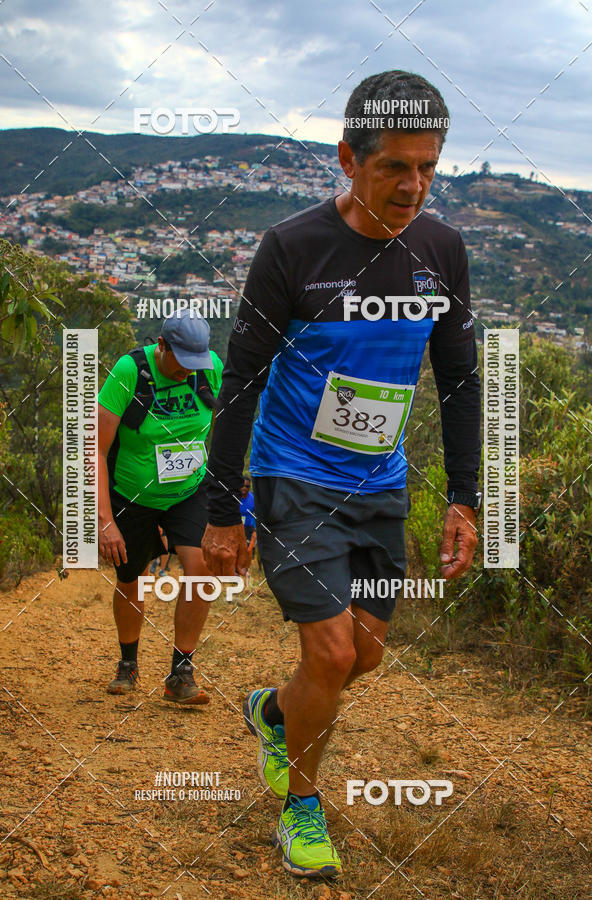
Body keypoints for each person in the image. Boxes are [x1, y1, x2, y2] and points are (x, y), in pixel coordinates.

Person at [202, 70, 481, 878]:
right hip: (294, 474)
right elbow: (242, 381)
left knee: (362, 657)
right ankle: (301, 806)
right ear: (347, 160)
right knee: (327, 655)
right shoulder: (292, 249)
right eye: (395, 166)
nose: (414, 185)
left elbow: (460, 380)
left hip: (380, 482)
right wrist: (226, 506)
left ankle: (272, 713)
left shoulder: (441, 251)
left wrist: (463, 499)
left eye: (428, 167)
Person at [98, 309, 223, 704]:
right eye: (182, 361)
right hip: (132, 495)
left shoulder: (210, 368)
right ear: (162, 345)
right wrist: (105, 522)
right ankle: (128, 663)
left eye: (196, 363)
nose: (190, 371)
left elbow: (222, 429)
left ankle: (180, 673)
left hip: (188, 490)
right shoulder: (128, 372)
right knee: (131, 575)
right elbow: (95, 449)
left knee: (199, 567)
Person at [239, 478, 256, 549]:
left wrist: (255, 530)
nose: (244, 488)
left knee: (248, 550)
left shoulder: (253, 498)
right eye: (243, 485)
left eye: (247, 486)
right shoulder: (233, 497)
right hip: (236, 528)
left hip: (249, 529)